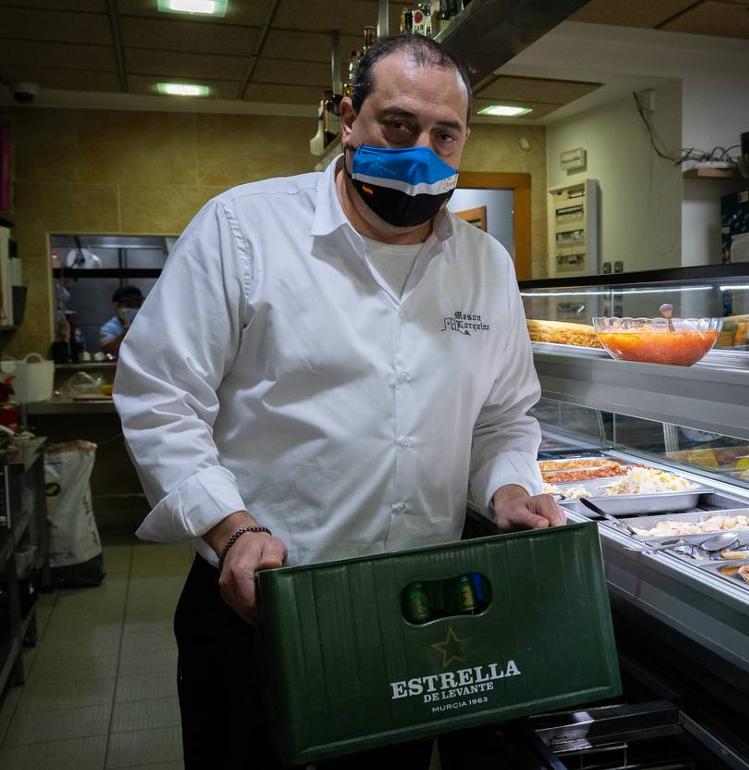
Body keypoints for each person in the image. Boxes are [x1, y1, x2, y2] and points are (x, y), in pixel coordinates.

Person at [113, 34, 565, 769]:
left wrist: (510, 483)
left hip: (415, 611)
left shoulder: (485, 265)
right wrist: (231, 530)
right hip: (261, 606)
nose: (421, 147)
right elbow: (160, 395)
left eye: (443, 133)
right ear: (349, 118)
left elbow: (503, 417)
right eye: (398, 124)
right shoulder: (245, 229)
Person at [99, 285, 143, 356]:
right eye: (129, 305)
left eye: (138, 305)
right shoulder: (109, 328)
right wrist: (126, 331)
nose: (134, 308)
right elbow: (107, 349)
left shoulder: (146, 324)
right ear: (117, 306)